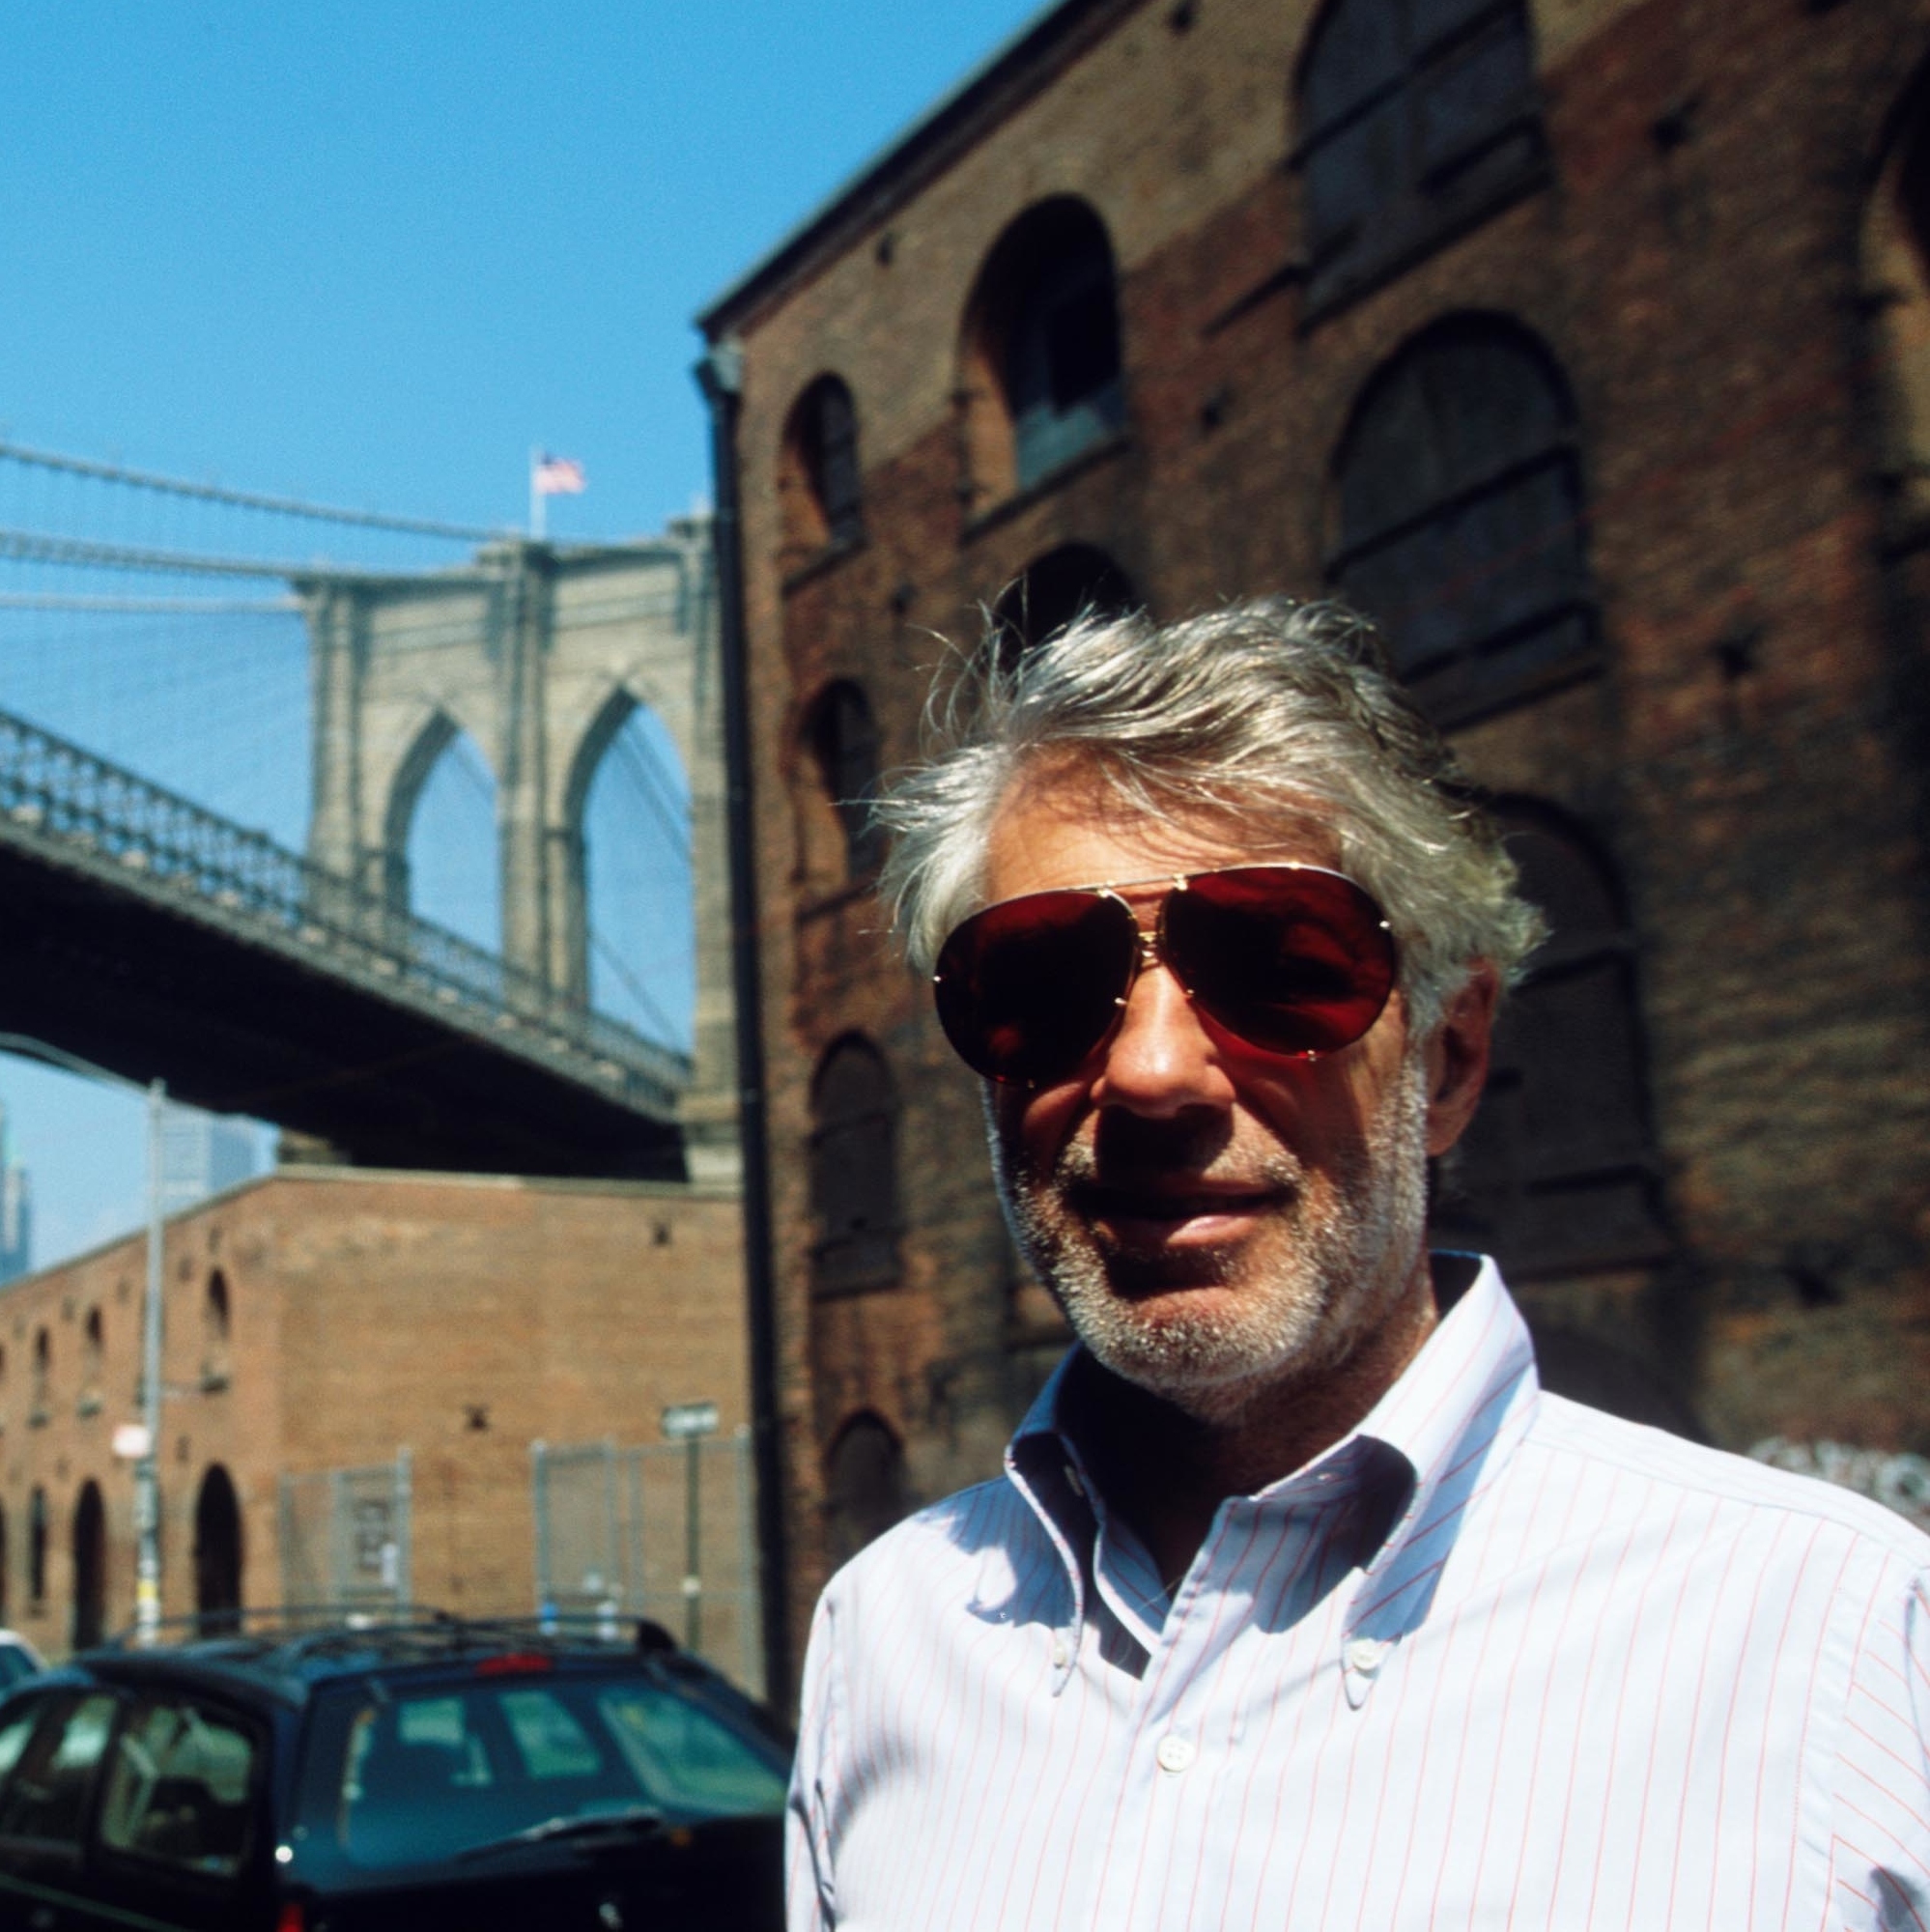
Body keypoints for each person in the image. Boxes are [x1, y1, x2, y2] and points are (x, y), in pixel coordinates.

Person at [784, 598, 1930, 1931]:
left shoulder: (1835, 1636)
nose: (1153, 1073)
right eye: (1039, 982)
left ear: (1446, 1059)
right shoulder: (884, 1638)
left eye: (1277, 966)